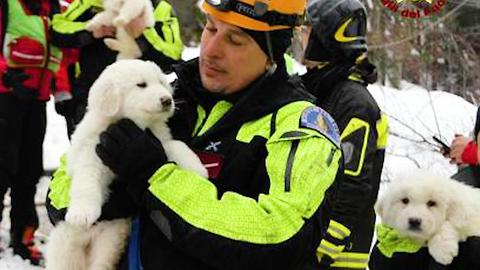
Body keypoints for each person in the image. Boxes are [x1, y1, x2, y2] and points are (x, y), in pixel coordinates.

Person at [46, 0, 347, 268]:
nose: (212, 50)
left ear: (271, 53)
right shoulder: (167, 97)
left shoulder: (300, 127)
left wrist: (156, 179)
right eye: (210, 28)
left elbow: (280, 236)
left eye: (236, 40)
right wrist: (98, 198)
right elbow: (63, 185)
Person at [297, 0, 387, 269]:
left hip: (337, 253)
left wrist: (328, 240)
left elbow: (353, 179)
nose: (300, 37)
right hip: (311, 239)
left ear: (325, 39)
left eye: (307, 30)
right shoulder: (321, 89)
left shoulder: (354, 103)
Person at [50, 0, 184, 136]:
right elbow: (56, 29)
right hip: (91, 95)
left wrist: (142, 34)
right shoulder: (91, 3)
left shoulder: (160, 8)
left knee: (143, 152)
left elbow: (173, 57)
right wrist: (90, 31)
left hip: (143, 102)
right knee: (86, 149)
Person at [0, 0, 61, 265]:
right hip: (6, 97)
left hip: (37, 99)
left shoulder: (53, 7)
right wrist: (5, 78)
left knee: (29, 172)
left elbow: (59, 52)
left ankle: (23, 238)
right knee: (1, 170)